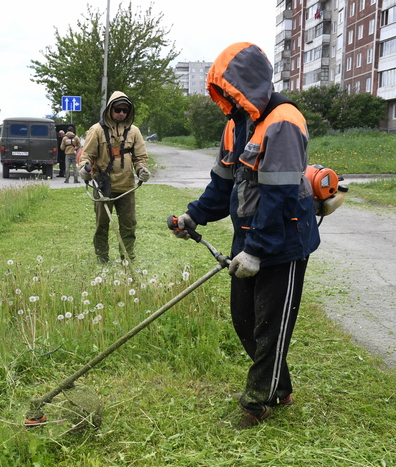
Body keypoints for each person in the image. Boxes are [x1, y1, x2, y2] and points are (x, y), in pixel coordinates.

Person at [171, 42, 320, 429]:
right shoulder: (236, 123)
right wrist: (194, 217)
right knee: (244, 320)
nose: (228, 98)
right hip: (251, 235)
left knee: (271, 326)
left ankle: (257, 403)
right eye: (223, 91)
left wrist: (256, 251)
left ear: (248, 83)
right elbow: (223, 182)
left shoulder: (284, 120)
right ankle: (280, 386)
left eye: (231, 89)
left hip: (283, 241)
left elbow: (280, 195)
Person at [79, 91, 150, 263]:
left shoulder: (134, 131)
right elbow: (86, 156)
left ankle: (127, 258)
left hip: (126, 187)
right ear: (110, 109)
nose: (121, 113)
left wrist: (141, 170)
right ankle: (102, 258)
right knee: (102, 226)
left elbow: (140, 157)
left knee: (129, 226)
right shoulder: (96, 130)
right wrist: (84, 169)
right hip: (103, 186)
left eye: (125, 110)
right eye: (118, 109)